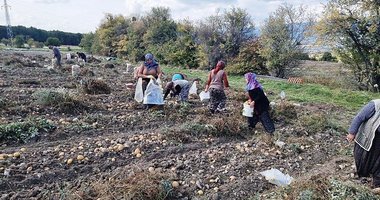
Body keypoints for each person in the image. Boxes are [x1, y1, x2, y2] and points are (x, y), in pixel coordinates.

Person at [346, 99, 380, 192]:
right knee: (362, 158)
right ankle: (362, 176)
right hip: (366, 138)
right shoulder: (375, 105)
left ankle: (377, 183)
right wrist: (352, 133)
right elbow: (359, 117)